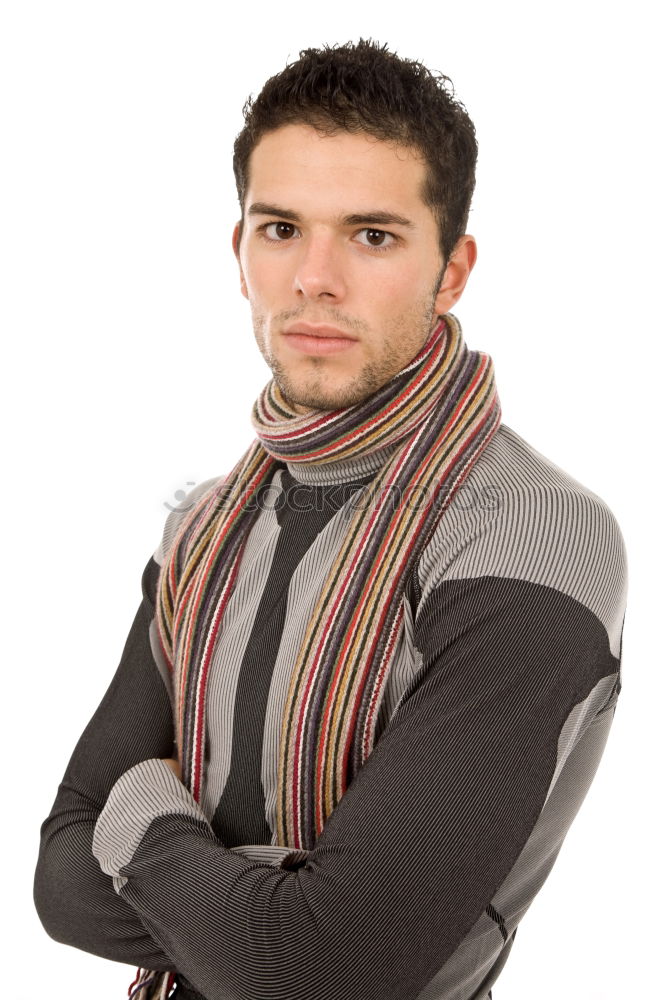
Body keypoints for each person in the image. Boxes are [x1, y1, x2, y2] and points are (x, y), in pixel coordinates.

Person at [34, 39, 628, 1000]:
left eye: (373, 236)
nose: (314, 278)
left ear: (453, 269)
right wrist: (270, 907)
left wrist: (140, 810)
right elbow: (58, 883)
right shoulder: (204, 527)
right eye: (280, 229)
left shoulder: (536, 539)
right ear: (240, 254)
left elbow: (318, 970)